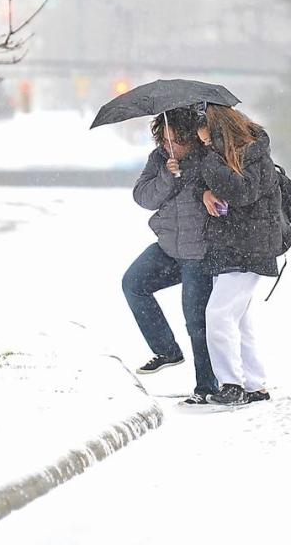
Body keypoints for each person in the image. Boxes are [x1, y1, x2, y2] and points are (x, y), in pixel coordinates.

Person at [121, 107, 218, 403]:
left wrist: (189, 176)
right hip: (168, 248)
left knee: (196, 320)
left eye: (174, 140)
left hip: (199, 252)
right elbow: (143, 197)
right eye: (163, 139)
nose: (167, 145)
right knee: (134, 283)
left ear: (189, 138)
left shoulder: (208, 159)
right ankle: (166, 350)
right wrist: (167, 175)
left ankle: (207, 387)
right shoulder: (160, 160)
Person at [196, 104, 281, 406]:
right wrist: (203, 192)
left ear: (220, 134)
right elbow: (218, 188)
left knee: (217, 315)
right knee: (238, 318)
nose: (204, 146)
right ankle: (255, 383)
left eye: (207, 141)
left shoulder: (254, 155)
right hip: (231, 245)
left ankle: (232, 384)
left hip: (250, 248)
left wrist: (209, 163)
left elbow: (242, 192)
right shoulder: (226, 158)